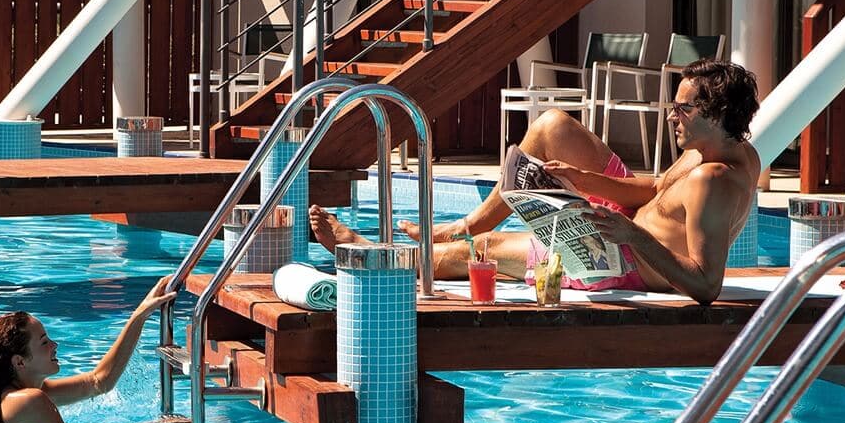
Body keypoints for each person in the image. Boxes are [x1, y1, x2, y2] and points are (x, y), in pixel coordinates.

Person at [309, 58, 761, 304]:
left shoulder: (714, 180)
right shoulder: (716, 149)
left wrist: (629, 234)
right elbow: (656, 191)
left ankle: (375, 254)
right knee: (551, 127)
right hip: (624, 224)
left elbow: (705, 287)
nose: (671, 116)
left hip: (622, 259)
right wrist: (584, 180)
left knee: (485, 252)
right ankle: (466, 222)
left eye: (683, 109)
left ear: (718, 113)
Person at [0, 281, 177, 423]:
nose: (54, 345)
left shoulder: (28, 394)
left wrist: (140, 315)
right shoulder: (29, 400)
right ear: (19, 361)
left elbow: (99, 381)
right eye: (44, 342)